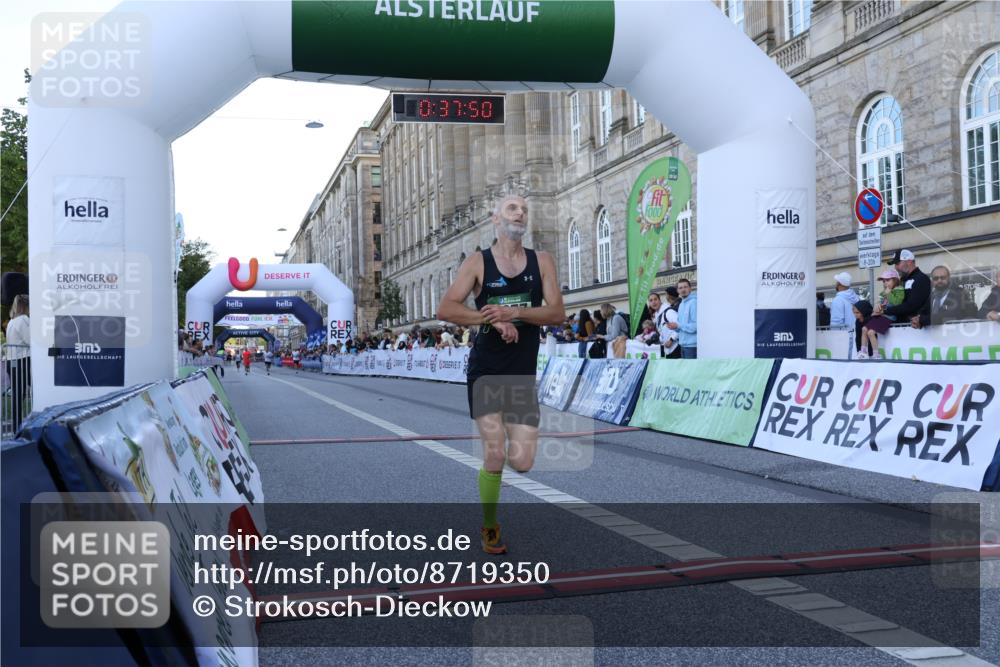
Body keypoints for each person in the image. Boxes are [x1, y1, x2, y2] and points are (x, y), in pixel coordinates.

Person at [437, 194, 564, 555]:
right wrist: (489, 318)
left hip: (521, 372)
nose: (520, 212)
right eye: (512, 208)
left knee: (522, 462)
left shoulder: (542, 262)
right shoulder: (479, 262)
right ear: (495, 219)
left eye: (524, 208)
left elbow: (556, 314)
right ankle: (490, 526)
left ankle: (500, 465)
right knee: (494, 452)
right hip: (487, 370)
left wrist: (515, 316)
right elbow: (446, 308)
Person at [877, 249, 930, 328]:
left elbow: (912, 305)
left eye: (898, 263)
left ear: (909, 261)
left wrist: (886, 311)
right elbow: (891, 299)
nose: (896, 267)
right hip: (899, 327)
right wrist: (880, 306)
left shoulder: (921, 278)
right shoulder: (901, 280)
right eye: (895, 265)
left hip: (916, 329)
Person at [860, 269, 905, 359]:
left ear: (895, 280)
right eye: (884, 281)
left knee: (871, 332)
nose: (885, 283)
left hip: (889, 317)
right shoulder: (883, 292)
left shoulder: (899, 290)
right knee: (864, 329)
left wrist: (889, 294)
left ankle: (876, 354)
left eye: (888, 280)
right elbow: (879, 303)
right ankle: (863, 352)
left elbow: (897, 303)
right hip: (880, 316)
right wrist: (876, 307)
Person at [5, 294, 31, 430]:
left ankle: (16, 427)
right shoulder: (23, 319)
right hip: (22, 361)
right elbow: (30, 340)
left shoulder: (12, 321)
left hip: (12, 361)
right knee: (36, 389)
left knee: (18, 395)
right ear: (26, 306)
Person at [668, 278, 698, 358]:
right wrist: (674, 327)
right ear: (677, 291)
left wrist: (678, 326)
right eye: (680, 288)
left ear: (690, 288)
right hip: (683, 345)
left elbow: (696, 326)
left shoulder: (694, 302)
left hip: (692, 346)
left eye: (685, 287)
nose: (683, 289)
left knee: (691, 370)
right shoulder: (681, 304)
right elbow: (679, 327)